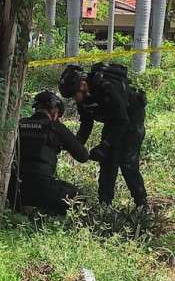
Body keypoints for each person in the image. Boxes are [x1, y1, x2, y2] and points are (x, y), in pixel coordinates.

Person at [58, 62, 148, 208]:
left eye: (75, 95)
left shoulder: (107, 87)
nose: (75, 99)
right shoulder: (84, 98)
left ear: (82, 84)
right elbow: (86, 124)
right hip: (113, 122)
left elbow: (123, 120)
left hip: (131, 120)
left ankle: (142, 205)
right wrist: (75, 144)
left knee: (127, 162)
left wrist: (105, 145)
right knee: (107, 162)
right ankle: (105, 205)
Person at [10, 90, 88, 215]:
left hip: (13, 190)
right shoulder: (55, 128)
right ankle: (46, 218)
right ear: (54, 111)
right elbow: (83, 156)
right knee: (78, 197)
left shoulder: (19, 124)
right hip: (42, 189)